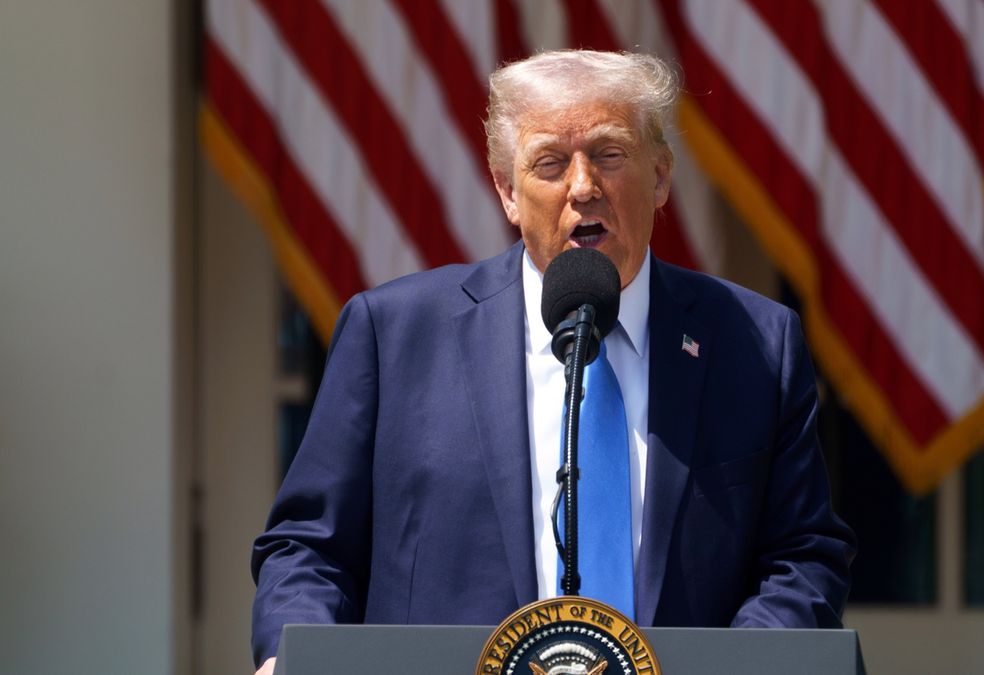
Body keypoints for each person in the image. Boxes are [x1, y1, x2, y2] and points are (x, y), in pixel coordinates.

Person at [250, 50, 855, 675]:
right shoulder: (395, 335)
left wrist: (739, 666)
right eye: (550, 163)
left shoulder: (755, 342)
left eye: (610, 154)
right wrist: (288, 653)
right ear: (509, 192)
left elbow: (802, 554)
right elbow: (309, 547)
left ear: (661, 177)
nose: (584, 186)